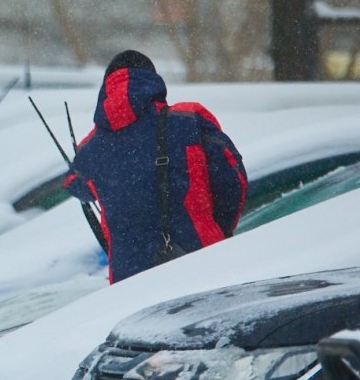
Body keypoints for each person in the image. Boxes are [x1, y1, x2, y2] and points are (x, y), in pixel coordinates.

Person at [63, 50, 246, 283]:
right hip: (202, 262)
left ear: (106, 89)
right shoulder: (189, 120)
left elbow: (74, 184)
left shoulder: (92, 148)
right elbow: (233, 180)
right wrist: (218, 229)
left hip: (130, 281)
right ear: (152, 81)